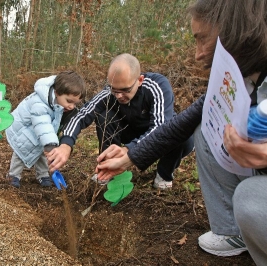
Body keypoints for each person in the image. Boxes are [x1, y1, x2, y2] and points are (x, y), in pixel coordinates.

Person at [95, 0, 267, 264]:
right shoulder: (246, 75)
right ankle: (233, 233)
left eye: (202, 39)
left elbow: (162, 120)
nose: (197, 54)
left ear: (238, 30)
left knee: (251, 200)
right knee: (209, 126)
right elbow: (181, 123)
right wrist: (129, 157)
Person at [47, 53, 194, 189]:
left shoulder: (156, 86)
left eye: (125, 90)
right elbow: (82, 114)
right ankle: (107, 169)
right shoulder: (110, 92)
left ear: (140, 80)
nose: (118, 96)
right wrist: (66, 144)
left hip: (157, 139)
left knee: (181, 132)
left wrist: (129, 149)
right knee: (104, 116)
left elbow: (160, 127)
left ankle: (164, 174)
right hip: (128, 131)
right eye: (114, 90)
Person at [5, 71, 86, 188]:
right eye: (69, 101)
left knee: (43, 154)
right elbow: (42, 123)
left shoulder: (58, 102)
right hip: (23, 132)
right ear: (57, 92)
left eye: (75, 103)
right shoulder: (40, 103)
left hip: (38, 132)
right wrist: (50, 144)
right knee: (21, 154)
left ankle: (43, 174)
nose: (71, 106)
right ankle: (13, 175)